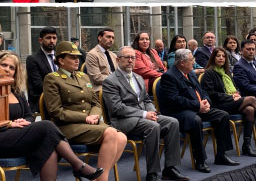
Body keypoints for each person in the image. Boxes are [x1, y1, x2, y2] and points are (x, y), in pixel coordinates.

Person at [0, 51, 105, 181]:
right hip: (3, 137)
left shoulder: (16, 92)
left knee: (49, 147)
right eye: (3, 65)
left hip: (18, 135)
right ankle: (78, 165)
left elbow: (29, 115)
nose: (7, 70)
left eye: (12, 68)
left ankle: (79, 167)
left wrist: (24, 121)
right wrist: (10, 124)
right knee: (47, 125)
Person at [42, 41, 128, 181]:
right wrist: (84, 118)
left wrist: (94, 115)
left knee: (122, 138)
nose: (77, 60)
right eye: (72, 57)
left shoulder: (83, 76)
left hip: (90, 123)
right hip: (67, 126)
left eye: (78, 57)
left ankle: (97, 178)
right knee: (112, 133)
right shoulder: (52, 79)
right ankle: (102, 179)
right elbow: (56, 112)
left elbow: (95, 102)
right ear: (61, 60)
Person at [102, 46, 188, 181]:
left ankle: (170, 169)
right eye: (127, 58)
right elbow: (117, 108)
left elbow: (146, 99)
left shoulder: (138, 77)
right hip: (123, 120)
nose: (131, 60)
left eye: (133, 58)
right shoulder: (110, 81)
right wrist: (143, 114)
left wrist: (151, 111)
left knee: (172, 122)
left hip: (144, 116)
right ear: (118, 60)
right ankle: (152, 173)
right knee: (152, 126)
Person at [157, 48, 239, 172]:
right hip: (178, 111)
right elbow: (175, 100)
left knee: (222, 115)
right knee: (195, 120)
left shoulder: (190, 73)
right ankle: (200, 160)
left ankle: (221, 155)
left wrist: (206, 102)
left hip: (197, 107)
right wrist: (197, 106)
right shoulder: (169, 76)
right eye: (191, 60)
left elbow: (203, 91)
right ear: (182, 62)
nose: (194, 62)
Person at [204, 46, 256, 152]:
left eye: (223, 56)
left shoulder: (226, 72)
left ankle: (246, 145)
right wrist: (230, 96)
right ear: (213, 58)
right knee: (252, 99)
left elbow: (235, 88)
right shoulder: (209, 73)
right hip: (219, 104)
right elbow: (210, 94)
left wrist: (237, 94)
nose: (221, 58)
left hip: (231, 102)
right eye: (218, 56)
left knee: (250, 110)